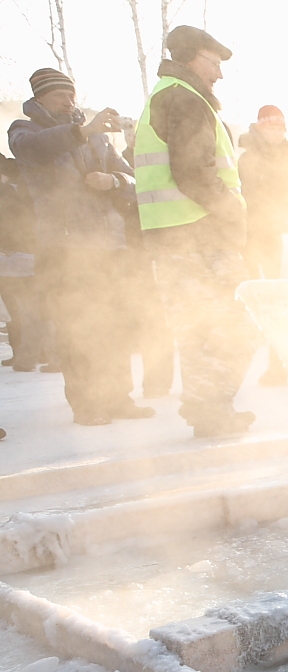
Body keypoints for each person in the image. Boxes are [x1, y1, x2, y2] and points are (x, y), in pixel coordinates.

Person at [8, 68, 153, 425]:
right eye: (60, 95)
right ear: (40, 98)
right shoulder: (24, 130)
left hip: (109, 246)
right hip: (63, 249)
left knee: (114, 326)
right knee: (77, 328)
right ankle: (87, 405)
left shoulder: (97, 137)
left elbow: (133, 179)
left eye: (71, 94)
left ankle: (118, 398)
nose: (68, 101)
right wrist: (83, 131)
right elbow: (34, 150)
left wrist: (113, 181)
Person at [134, 25, 259, 437]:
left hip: (174, 237)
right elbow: (194, 172)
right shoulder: (186, 99)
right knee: (239, 323)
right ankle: (211, 407)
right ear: (191, 58)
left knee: (199, 330)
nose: (219, 74)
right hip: (199, 235)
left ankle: (209, 411)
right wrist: (232, 214)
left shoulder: (165, 94)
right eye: (214, 63)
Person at [239, 104, 288, 385]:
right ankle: (278, 366)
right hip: (264, 240)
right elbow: (246, 199)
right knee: (275, 303)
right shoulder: (248, 160)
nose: (275, 133)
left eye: (279, 128)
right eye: (269, 128)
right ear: (259, 129)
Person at [0, 153, 55, 373]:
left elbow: (9, 226)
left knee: (28, 310)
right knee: (36, 309)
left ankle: (32, 358)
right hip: (30, 254)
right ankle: (38, 356)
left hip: (15, 258)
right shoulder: (23, 186)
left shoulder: (8, 193)